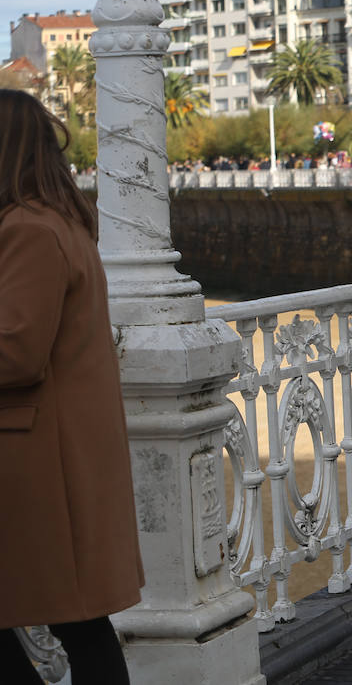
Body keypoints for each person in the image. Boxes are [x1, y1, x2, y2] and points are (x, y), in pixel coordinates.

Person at [0, 90, 144, 684]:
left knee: (77, 622)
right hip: (60, 451)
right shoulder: (60, 221)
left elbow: (16, 351)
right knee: (80, 622)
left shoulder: (26, 229)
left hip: (38, 456)